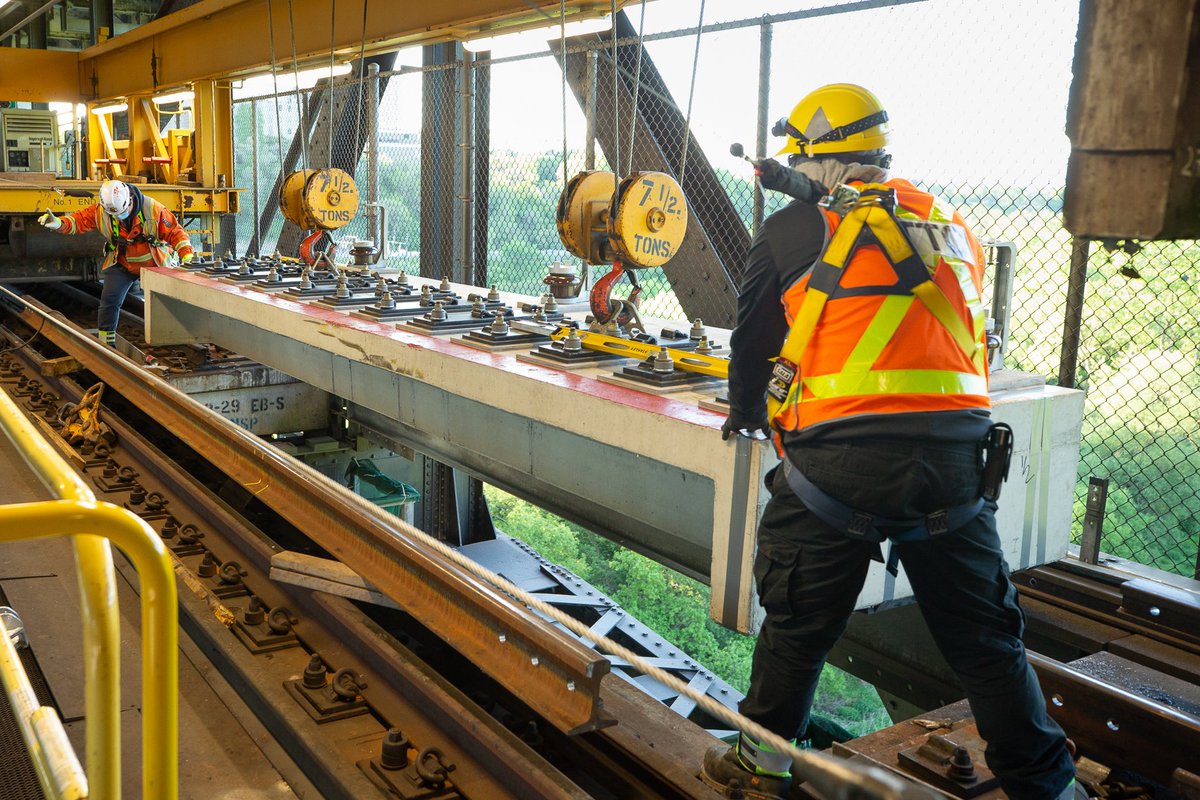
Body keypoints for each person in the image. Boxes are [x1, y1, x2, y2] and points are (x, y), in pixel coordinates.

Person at [700, 84, 1077, 800]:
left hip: (837, 470)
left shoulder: (790, 230)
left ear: (815, 163)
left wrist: (748, 413)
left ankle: (761, 768)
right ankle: (1048, 785)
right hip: (961, 468)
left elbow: (752, 344)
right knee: (988, 642)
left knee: (798, 625)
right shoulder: (952, 223)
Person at [39, 180, 194, 346]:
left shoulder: (153, 209)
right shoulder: (101, 211)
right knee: (109, 301)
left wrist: (187, 255)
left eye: (123, 211)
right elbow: (78, 221)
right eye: (115, 214)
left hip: (153, 263)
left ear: (130, 199)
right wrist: (58, 224)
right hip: (122, 263)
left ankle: (176, 339)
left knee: (168, 303)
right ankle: (107, 344)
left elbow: (176, 233)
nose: (120, 216)